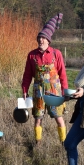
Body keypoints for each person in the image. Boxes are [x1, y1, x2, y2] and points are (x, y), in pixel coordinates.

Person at [21, 13, 68, 146]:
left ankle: (64, 143)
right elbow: (27, 75)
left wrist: (65, 92)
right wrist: (24, 90)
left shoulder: (56, 54)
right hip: (38, 92)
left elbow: (63, 74)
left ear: (48, 40)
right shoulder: (31, 55)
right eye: (39, 38)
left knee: (59, 117)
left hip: (54, 92)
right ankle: (38, 143)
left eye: (43, 38)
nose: (41, 40)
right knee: (38, 119)